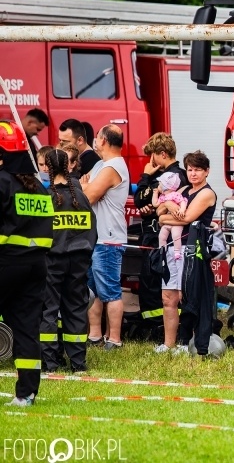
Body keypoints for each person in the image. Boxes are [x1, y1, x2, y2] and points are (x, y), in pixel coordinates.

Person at [0, 120, 54, 406]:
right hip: (36, 267)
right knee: (26, 330)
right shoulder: (37, 186)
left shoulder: (2, 182)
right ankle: (26, 395)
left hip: (6, 264)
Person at [40, 149, 97, 374]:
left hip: (52, 262)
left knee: (49, 311)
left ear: (49, 168)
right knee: (75, 310)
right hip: (79, 262)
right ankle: (78, 363)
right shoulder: (80, 196)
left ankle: (50, 362)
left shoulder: (48, 198)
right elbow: (93, 231)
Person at [156, 151, 217, 352]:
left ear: (207, 171)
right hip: (171, 248)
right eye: (190, 169)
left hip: (193, 250)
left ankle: (186, 342)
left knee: (189, 297)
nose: (193, 174)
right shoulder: (183, 189)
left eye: (198, 170)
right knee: (168, 297)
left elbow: (188, 218)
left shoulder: (207, 193)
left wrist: (166, 216)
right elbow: (159, 210)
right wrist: (167, 209)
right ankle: (168, 344)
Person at [132, 132, 188, 345]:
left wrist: (145, 177)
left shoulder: (168, 177)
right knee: (156, 284)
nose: (150, 162)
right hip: (156, 236)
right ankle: (158, 328)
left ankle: (158, 330)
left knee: (156, 284)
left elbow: (141, 198)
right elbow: (143, 202)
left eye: (152, 157)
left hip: (160, 238)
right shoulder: (179, 175)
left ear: (162, 154)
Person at [81, 124, 129, 351]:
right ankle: (95, 335)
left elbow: (87, 196)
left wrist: (85, 186)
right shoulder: (103, 164)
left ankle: (115, 339)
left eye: (98, 137)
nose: (95, 141)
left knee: (110, 290)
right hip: (96, 237)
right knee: (93, 290)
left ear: (105, 141)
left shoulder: (113, 167)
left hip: (108, 239)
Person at [153, 172, 188, 260]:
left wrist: (182, 210)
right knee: (162, 235)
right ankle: (162, 249)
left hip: (176, 222)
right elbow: (155, 204)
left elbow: (182, 202)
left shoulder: (175, 195)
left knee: (176, 235)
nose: (158, 186)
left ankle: (177, 251)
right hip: (167, 222)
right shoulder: (162, 197)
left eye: (160, 184)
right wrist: (155, 194)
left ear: (165, 186)